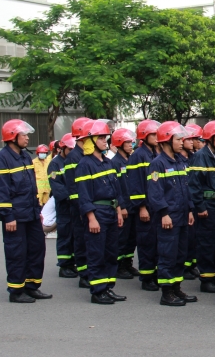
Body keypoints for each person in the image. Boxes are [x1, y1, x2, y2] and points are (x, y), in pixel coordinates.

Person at [0, 119, 51, 303]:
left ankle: (32, 286)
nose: (27, 138)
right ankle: (16, 290)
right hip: (15, 216)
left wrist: (37, 209)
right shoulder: (1, 159)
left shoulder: (25, 156)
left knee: (36, 249)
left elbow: (30, 186)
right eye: (23, 135)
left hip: (31, 212)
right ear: (12, 137)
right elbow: (0, 191)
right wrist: (7, 216)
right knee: (17, 252)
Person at [75, 120, 127, 304]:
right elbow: (83, 194)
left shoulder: (107, 162)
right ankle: (98, 291)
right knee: (96, 252)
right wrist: (91, 217)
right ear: (90, 140)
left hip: (111, 211)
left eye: (106, 137)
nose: (105, 140)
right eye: (101, 138)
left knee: (111, 252)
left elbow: (116, 189)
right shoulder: (84, 164)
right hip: (97, 213)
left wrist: (119, 211)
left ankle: (108, 287)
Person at [146, 121, 197, 306]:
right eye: (178, 138)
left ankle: (176, 287)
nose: (182, 141)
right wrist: (163, 213)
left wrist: (191, 209)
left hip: (182, 215)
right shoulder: (157, 164)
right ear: (167, 140)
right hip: (169, 216)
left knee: (180, 253)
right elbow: (155, 192)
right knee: (167, 253)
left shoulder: (180, 162)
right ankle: (167, 293)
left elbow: (187, 188)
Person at [190, 120, 215, 293]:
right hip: (207, 206)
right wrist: (200, 206)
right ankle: (206, 279)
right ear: (209, 139)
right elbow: (195, 185)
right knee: (207, 243)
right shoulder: (200, 156)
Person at [127, 119, 161, 291]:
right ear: (144, 136)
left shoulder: (154, 153)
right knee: (146, 243)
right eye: (153, 134)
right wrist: (141, 207)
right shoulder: (138, 156)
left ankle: (154, 274)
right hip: (145, 207)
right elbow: (135, 184)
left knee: (155, 242)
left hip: (154, 206)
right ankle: (147, 277)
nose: (156, 137)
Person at [64, 117, 93, 288]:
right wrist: (82, 210)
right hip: (80, 209)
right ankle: (84, 273)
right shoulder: (73, 158)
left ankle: (91, 270)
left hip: (88, 206)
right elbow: (73, 188)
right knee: (82, 241)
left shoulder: (86, 156)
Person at [111, 128, 139, 280]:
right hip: (124, 206)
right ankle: (119, 265)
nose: (131, 145)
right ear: (119, 144)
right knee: (122, 238)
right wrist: (121, 207)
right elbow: (116, 188)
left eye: (131, 142)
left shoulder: (130, 160)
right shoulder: (115, 163)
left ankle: (128, 263)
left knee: (131, 238)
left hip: (132, 205)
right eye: (128, 142)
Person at [48, 133, 77, 278]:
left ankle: (73, 262)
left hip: (75, 205)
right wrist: (70, 196)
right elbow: (56, 185)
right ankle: (64, 265)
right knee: (65, 235)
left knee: (75, 235)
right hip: (64, 206)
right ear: (63, 148)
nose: (72, 152)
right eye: (70, 150)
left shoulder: (75, 161)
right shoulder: (55, 164)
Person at [182, 123, 202, 280]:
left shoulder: (193, 158)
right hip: (182, 205)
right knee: (186, 238)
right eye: (190, 139)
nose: (193, 142)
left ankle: (190, 264)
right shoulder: (178, 160)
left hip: (192, 202)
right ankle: (185, 266)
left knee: (193, 237)